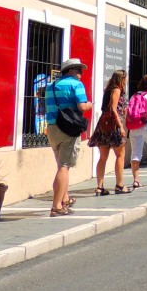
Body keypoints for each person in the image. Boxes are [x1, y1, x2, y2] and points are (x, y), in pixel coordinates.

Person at [46, 57, 92, 216]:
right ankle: (56, 205)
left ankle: (64, 198)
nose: (81, 73)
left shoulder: (50, 86)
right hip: (68, 129)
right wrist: (90, 105)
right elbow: (82, 106)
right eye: (79, 69)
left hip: (52, 127)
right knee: (64, 167)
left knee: (60, 165)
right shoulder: (76, 85)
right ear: (70, 70)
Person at [87, 70, 129, 195]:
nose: (126, 81)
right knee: (120, 155)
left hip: (103, 125)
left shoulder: (108, 90)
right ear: (121, 79)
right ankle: (119, 185)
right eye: (125, 79)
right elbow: (114, 109)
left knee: (103, 157)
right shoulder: (117, 90)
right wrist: (121, 126)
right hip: (113, 125)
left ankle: (100, 187)